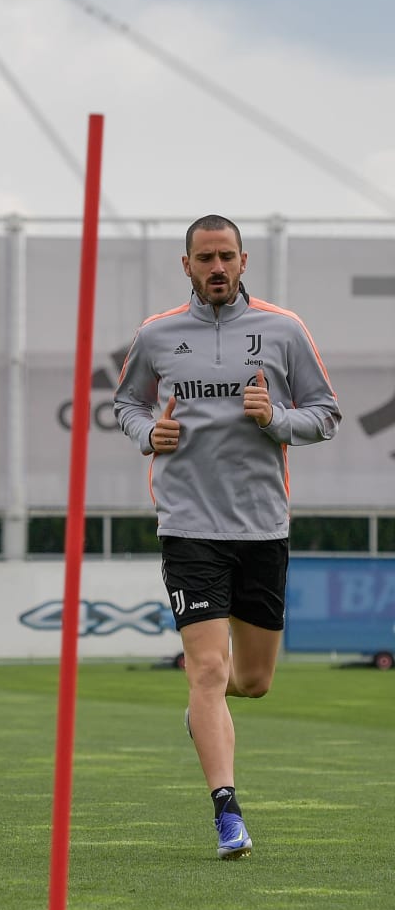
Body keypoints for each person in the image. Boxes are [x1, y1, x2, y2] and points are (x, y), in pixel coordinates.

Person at [114, 215, 341, 860]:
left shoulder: (284, 329)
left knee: (255, 680)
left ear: (245, 261)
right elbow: (125, 404)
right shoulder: (157, 336)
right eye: (204, 258)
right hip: (187, 524)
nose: (217, 268)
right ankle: (227, 813)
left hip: (262, 525)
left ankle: (202, 709)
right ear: (185, 265)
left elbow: (326, 414)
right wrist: (143, 435)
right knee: (208, 668)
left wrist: (277, 420)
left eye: (227, 257)